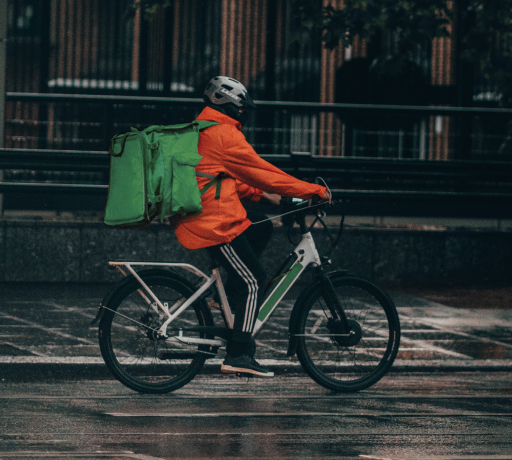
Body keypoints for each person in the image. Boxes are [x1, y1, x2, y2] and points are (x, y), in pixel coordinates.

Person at [173, 76, 330, 377]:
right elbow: (262, 172)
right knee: (254, 279)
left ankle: (230, 299)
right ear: (229, 105)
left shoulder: (205, 127)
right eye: (241, 108)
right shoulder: (223, 134)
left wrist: (268, 198)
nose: (243, 114)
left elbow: (224, 179)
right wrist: (312, 190)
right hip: (212, 222)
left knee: (260, 226)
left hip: (209, 211)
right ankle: (237, 354)